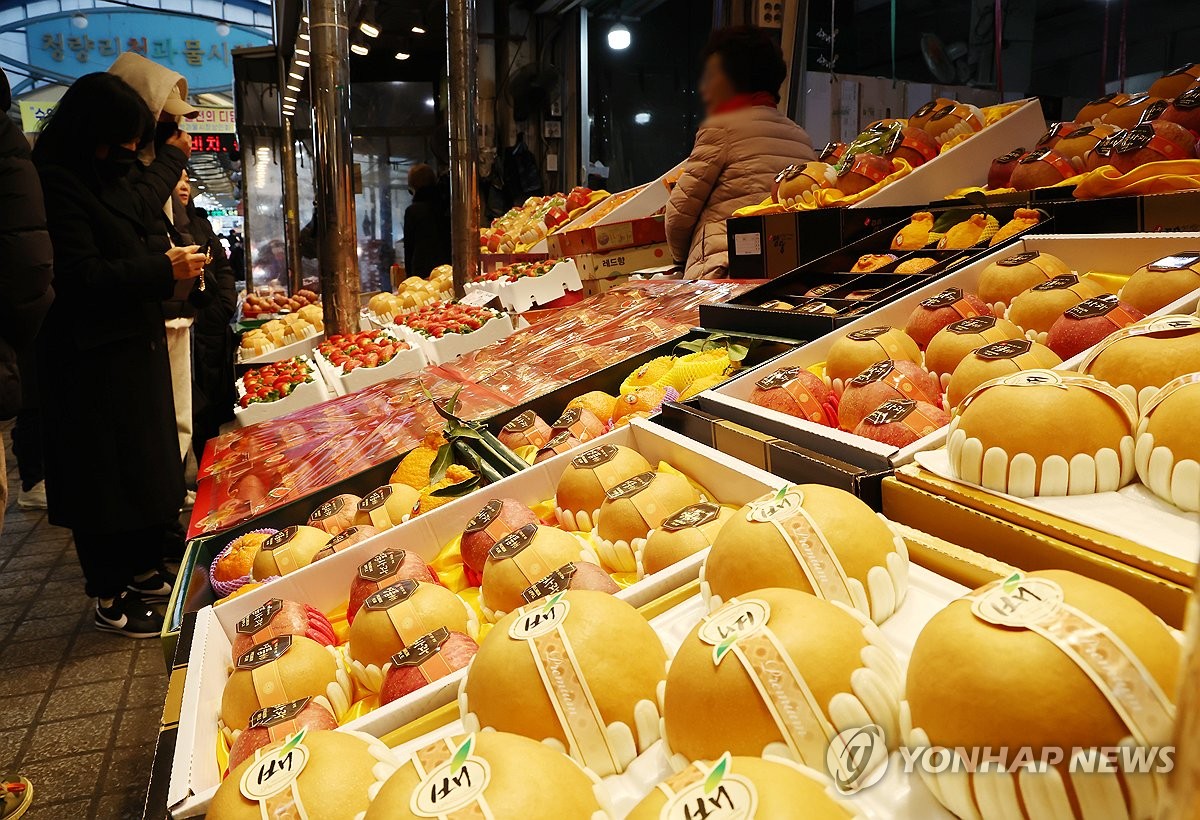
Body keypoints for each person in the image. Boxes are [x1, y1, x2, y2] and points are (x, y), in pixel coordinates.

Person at [32, 72, 206, 637]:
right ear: (94, 132)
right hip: (88, 360)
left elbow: (132, 220)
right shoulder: (56, 182)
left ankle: (140, 569)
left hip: (133, 343)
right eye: (127, 139)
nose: (134, 151)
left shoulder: (106, 173)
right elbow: (80, 276)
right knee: (101, 478)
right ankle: (108, 593)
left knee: (143, 463)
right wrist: (163, 268)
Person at [108, 52, 200, 513]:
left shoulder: (146, 164)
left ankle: (172, 496)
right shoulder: (119, 171)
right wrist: (169, 160)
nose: (174, 129)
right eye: (164, 118)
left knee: (176, 418)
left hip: (169, 308)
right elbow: (137, 213)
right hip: (140, 315)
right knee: (154, 425)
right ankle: (163, 506)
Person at [665, 26, 816, 279]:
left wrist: (682, 260)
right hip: (788, 277)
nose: (705, 88)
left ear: (736, 80)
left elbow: (677, 217)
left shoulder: (720, 128)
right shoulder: (801, 137)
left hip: (722, 275)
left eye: (712, 76)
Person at [0, 66, 54, 530]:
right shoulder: (15, 163)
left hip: (27, 322)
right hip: (27, 324)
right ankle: (33, 481)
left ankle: (34, 480)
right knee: (33, 407)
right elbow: (29, 265)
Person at [171, 172, 237, 458]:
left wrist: (219, 311)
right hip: (175, 335)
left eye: (186, 178)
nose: (184, 185)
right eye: (176, 178)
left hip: (209, 336)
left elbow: (223, 272)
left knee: (210, 414)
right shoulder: (156, 230)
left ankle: (206, 477)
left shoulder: (201, 225)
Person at [403, 163, 451, 277]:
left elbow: (409, 248)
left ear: (412, 186)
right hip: (447, 268)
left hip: (422, 271)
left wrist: (409, 276)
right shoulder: (446, 206)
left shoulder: (412, 211)